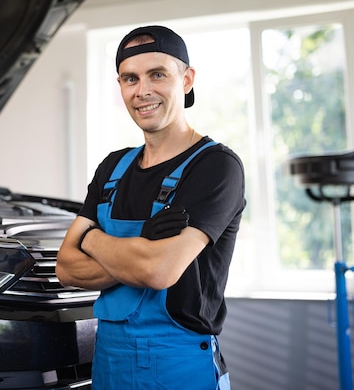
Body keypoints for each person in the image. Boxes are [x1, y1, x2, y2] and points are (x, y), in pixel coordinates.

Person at [56, 25, 245, 390]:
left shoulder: (216, 166)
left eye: (157, 74)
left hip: (178, 362)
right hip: (108, 358)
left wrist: (92, 238)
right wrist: (141, 244)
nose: (142, 91)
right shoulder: (113, 168)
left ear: (187, 79)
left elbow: (159, 271)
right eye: (130, 79)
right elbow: (66, 267)